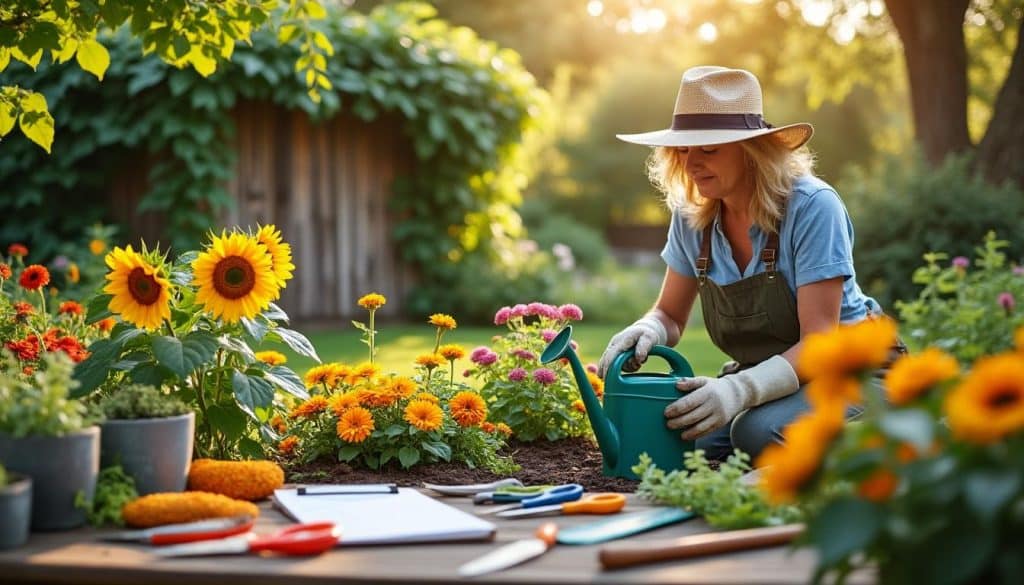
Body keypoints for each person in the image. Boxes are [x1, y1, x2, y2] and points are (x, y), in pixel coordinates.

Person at [597, 65, 898, 462]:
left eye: (708, 149)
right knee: (682, 437)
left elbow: (820, 344)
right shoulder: (693, 217)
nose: (691, 164)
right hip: (772, 380)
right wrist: (647, 328)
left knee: (757, 431)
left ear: (753, 151)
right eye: (683, 150)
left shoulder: (811, 208)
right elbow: (670, 313)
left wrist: (737, 391)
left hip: (852, 373)